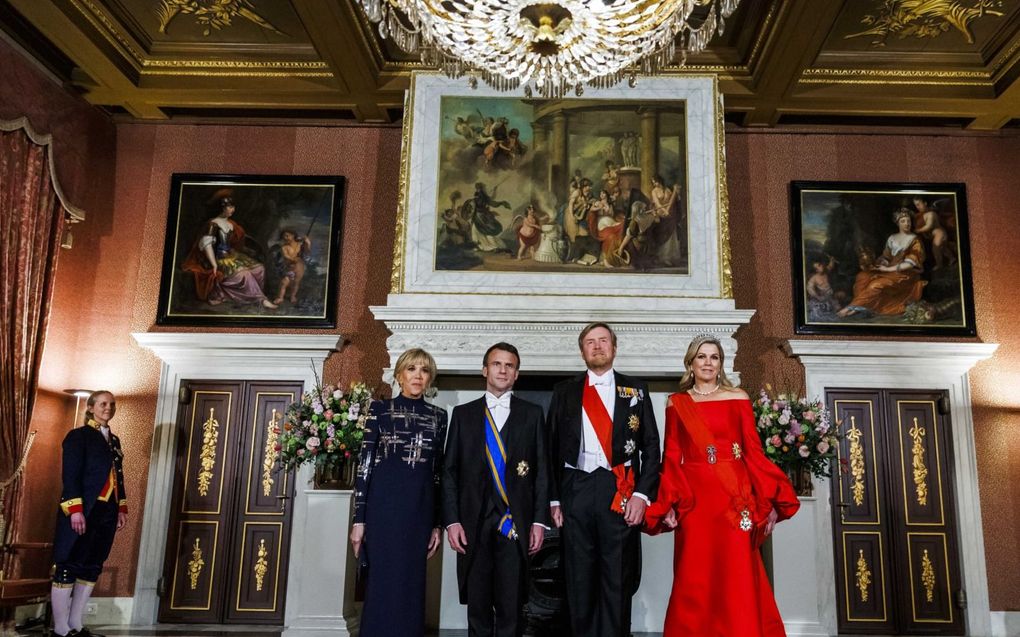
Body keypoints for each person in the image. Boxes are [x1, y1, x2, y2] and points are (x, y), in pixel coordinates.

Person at [644, 334, 800, 636]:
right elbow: (672, 457)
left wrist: (767, 500)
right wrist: (669, 503)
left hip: (734, 497)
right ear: (690, 362)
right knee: (695, 572)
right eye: (701, 356)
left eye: (714, 357)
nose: (708, 362)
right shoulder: (677, 403)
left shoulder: (738, 397)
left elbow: (753, 452)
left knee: (737, 570)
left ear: (721, 364)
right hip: (696, 500)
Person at [546, 322, 661, 637]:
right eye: (589, 342)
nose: (597, 346)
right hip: (576, 489)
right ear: (582, 350)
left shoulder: (635, 389)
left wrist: (643, 495)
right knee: (578, 576)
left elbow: (651, 448)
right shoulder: (564, 391)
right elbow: (550, 448)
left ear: (614, 347)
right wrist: (554, 498)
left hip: (619, 490)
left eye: (603, 340)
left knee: (617, 576)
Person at [442, 343, 550, 637]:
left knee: (511, 604)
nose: (503, 370)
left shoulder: (532, 414)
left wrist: (539, 521)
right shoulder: (463, 415)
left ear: (516, 374)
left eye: (509, 365)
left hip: (514, 524)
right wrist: (451, 521)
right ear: (484, 370)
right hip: (472, 523)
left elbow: (542, 473)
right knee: (477, 605)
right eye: (497, 364)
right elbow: (449, 472)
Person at [350, 349, 448, 637]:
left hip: (420, 511)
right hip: (383, 510)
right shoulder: (379, 410)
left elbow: (438, 472)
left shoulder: (439, 417)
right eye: (411, 369)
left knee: (411, 584)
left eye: (424, 370)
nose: (418, 375)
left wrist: (437, 524)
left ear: (430, 378)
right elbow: (364, 466)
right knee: (382, 583)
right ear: (399, 375)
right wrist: (359, 521)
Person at [51, 390, 128, 637]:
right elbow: (70, 476)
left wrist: (121, 507)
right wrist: (75, 510)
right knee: (69, 563)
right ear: (91, 407)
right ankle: (61, 628)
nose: (108, 407)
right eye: (104, 403)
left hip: (106, 511)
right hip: (82, 510)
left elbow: (119, 477)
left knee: (92, 565)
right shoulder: (78, 436)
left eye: (112, 404)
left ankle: (76, 624)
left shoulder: (114, 441)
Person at [181, 191, 278, 309]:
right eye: (230, 207)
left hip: (232, 255)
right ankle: (260, 300)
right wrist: (214, 264)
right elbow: (207, 245)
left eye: (233, 207)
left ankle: (252, 297)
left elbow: (239, 240)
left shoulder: (231, 224)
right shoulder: (213, 224)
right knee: (244, 274)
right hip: (219, 257)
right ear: (222, 208)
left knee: (259, 268)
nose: (233, 209)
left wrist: (246, 250)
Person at [837, 208, 926, 317]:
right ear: (897, 223)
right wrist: (882, 262)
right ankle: (862, 307)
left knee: (876, 285)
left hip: (905, 274)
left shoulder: (914, 239)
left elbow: (911, 263)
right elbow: (886, 256)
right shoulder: (892, 238)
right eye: (903, 221)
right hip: (890, 270)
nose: (907, 223)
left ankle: (851, 307)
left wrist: (888, 269)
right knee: (862, 276)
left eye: (909, 221)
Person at [272, 229, 311, 305]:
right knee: (284, 282)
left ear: (293, 235)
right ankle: (280, 297)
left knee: (296, 283)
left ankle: (292, 296)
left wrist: (307, 243)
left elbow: (307, 252)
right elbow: (286, 256)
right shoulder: (284, 247)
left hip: (299, 268)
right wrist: (293, 259)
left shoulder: (300, 244)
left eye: (287, 235)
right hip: (289, 268)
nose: (285, 238)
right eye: (284, 237)